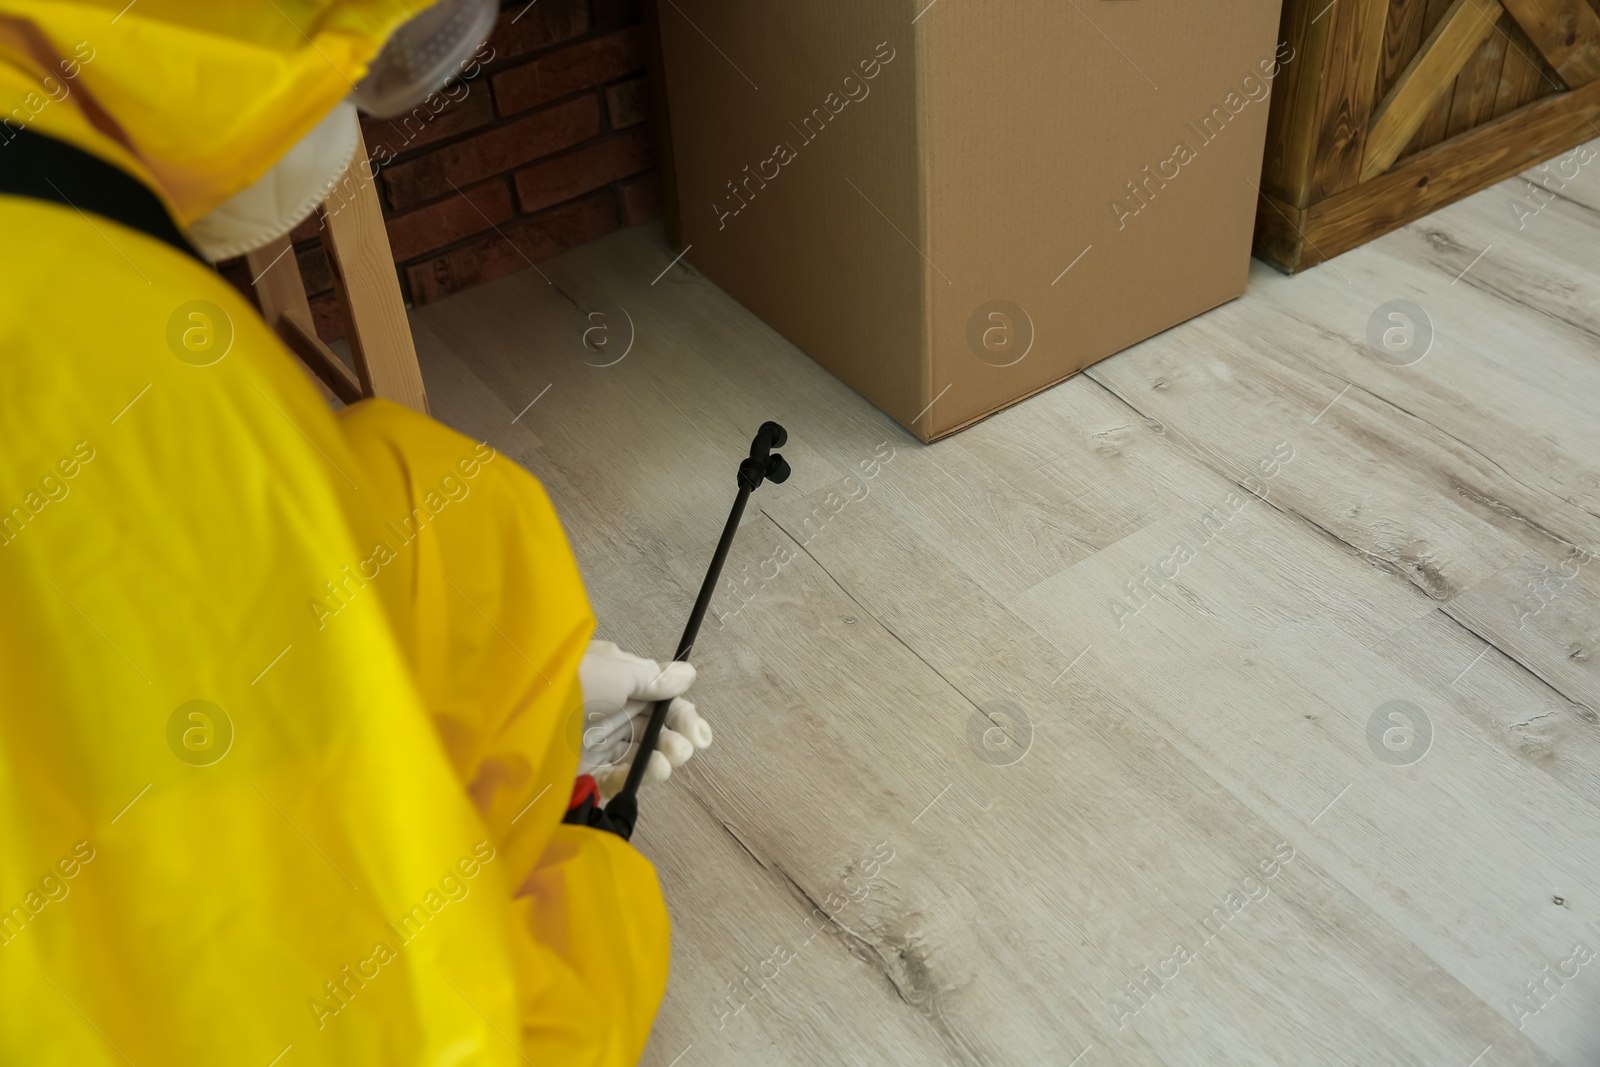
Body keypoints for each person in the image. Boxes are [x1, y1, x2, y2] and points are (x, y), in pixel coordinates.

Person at [0, 1, 709, 1062]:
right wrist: (589, 868)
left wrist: (537, 695)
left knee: (449, 508)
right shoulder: (129, 408)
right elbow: (399, 1028)